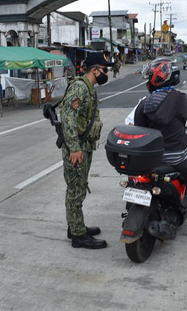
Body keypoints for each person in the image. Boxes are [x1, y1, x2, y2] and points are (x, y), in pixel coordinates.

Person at [133, 58, 187, 246]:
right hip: (178, 156)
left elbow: (139, 127)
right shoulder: (183, 100)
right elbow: (182, 119)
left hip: (151, 159)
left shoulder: (144, 104)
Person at [60, 52, 114, 249]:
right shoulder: (80, 88)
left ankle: (75, 225)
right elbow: (68, 119)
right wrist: (74, 148)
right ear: (95, 70)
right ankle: (78, 236)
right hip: (77, 148)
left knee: (79, 187)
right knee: (76, 190)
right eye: (105, 69)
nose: (106, 73)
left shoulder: (89, 89)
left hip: (84, 146)